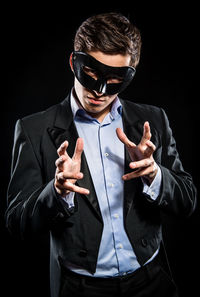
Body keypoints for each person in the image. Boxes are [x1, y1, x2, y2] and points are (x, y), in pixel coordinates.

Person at [5, 12, 197, 297]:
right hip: (81, 289)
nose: (99, 91)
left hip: (152, 282)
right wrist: (56, 193)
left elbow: (187, 201)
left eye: (114, 80)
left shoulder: (153, 121)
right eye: (91, 75)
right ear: (74, 62)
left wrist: (155, 175)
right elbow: (17, 222)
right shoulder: (34, 130)